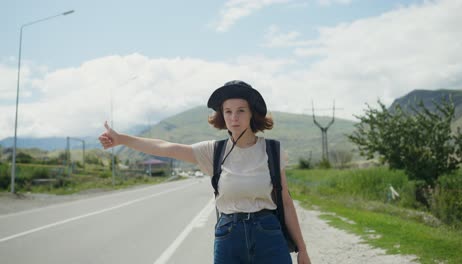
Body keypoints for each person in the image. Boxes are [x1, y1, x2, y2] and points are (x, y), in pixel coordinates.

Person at [99, 80, 311, 264]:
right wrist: (121, 139)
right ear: (222, 116)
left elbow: (286, 202)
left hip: (268, 233)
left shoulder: (273, 150)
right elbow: (164, 147)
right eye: (228, 111)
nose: (234, 117)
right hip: (229, 236)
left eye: (241, 111)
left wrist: (302, 249)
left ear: (252, 114)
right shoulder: (213, 151)